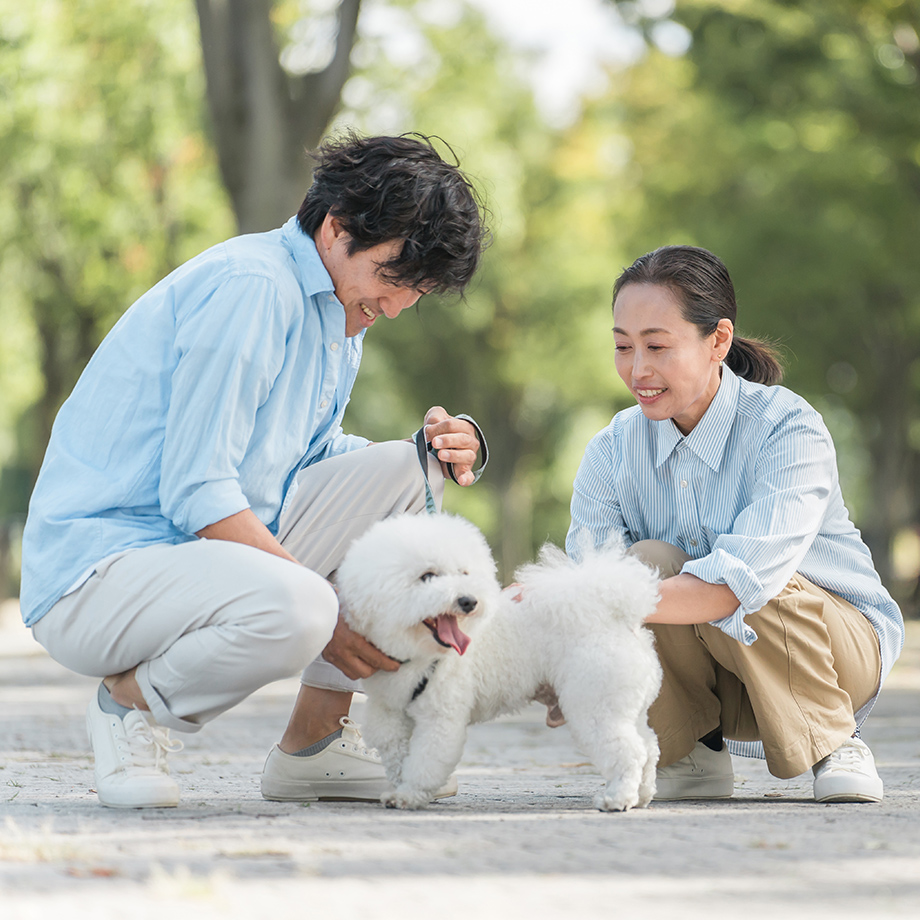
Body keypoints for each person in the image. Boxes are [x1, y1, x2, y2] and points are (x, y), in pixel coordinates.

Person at [20, 133, 489, 809]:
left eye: (415, 289)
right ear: (336, 228)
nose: (396, 305)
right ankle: (128, 709)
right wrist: (327, 617)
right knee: (302, 607)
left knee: (403, 470)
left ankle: (314, 743)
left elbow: (301, 458)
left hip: (189, 557)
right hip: (99, 574)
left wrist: (440, 447)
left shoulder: (337, 310)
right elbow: (197, 490)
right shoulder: (255, 290)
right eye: (393, 276)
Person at [567, 245, 904, 804]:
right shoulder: (611, 449)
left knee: (754, 580)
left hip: (832, 657)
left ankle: (835, 741)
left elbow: (735, 582)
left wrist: (584, 600)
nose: (637, 369)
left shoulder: (786, 427)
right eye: (623, 347)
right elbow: (590, 579)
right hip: (722, 676)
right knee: (643, 562)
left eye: (656, 346)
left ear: (718, 340)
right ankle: (689, 748)